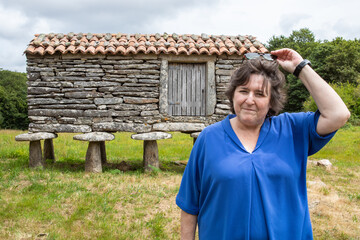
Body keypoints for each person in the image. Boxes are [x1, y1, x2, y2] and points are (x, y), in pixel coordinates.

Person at [176, 48, 350, 240]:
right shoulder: (209, 138)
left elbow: (338, 114)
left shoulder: (292, 130)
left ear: (271, 101)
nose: (249, 100)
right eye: (243, 91)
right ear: (233, 95)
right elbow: (190, 204)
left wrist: (301, 68)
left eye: (259, 94)